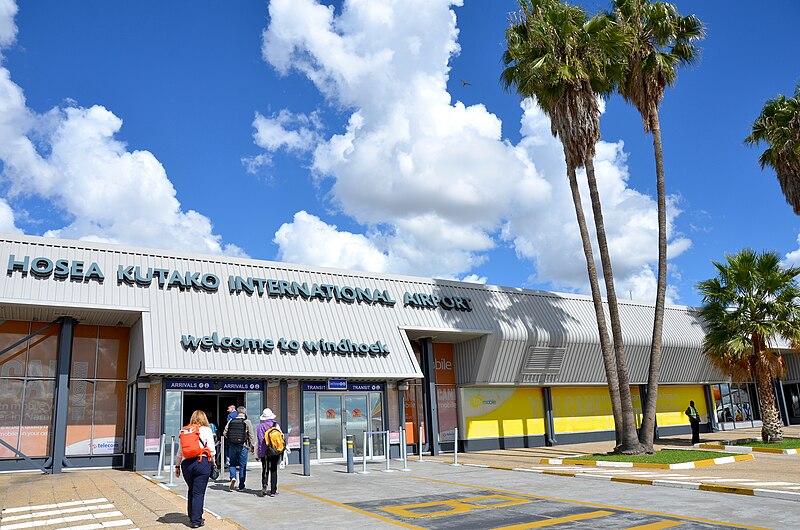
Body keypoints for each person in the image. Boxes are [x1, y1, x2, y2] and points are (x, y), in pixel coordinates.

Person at [175, 410, 216, 529]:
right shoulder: (207, 430)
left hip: (186, 464)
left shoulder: (185, 430)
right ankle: (196, 520)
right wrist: (213, 463)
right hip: (201, 462)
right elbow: (212, 450)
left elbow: (180, 451)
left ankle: (192, 516)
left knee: (191, 490)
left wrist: (177, 466)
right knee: (198, 493)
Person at [223, 405, 256, 492]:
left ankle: (233, 477)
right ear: (244, 413)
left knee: (232, 463)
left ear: (237, 412)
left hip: (232, 445)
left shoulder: (231, 420)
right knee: (242, 466)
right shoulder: (247, 422)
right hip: (243, 446)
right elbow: (251, 435)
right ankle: (241, 486)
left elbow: (225, 432)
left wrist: (230, 439)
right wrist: (253, 446)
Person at [256, 408, 283, 497]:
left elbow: (260, 441)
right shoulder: (276, 425)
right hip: (274, 451)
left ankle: (264, 485)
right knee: (274, 470)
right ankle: (273, 491)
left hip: (264, 451)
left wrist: (259, 453)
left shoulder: (259, 427)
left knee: (265, 469)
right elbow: (281, 437)